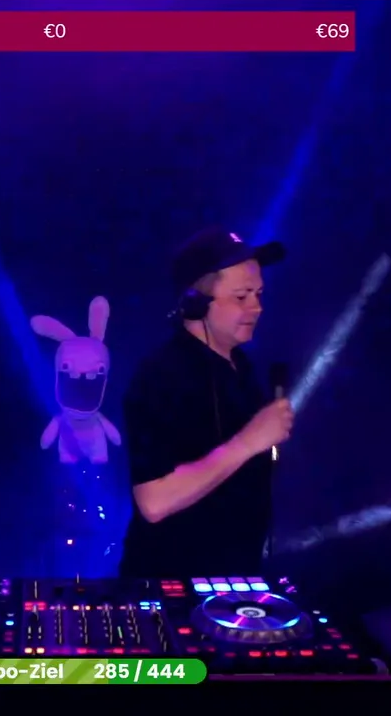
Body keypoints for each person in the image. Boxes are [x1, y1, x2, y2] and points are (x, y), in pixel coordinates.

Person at [118, 227, 294, 578]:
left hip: (234, 579)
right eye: (241, 296)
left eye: (259, 294)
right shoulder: (161, 375)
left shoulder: (241, 368)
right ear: (195, 303)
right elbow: (154, 501)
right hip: (171, 586)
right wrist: (249, 441)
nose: (256, 307)